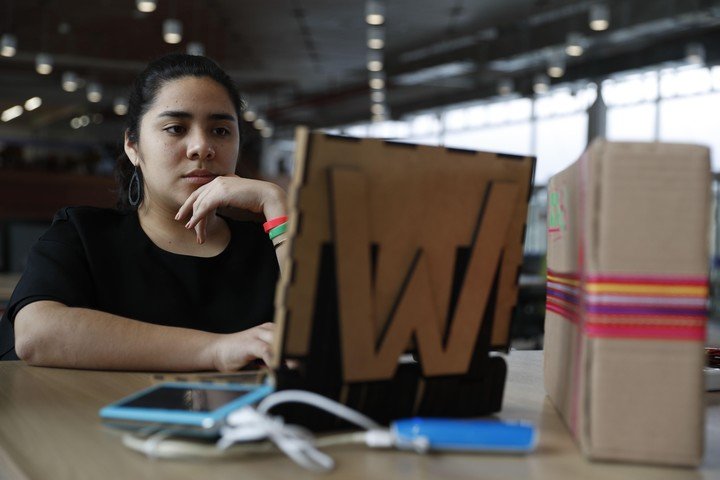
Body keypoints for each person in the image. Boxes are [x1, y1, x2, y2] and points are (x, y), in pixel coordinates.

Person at [0, 53, 288, 371]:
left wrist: (277, 205)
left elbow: (331, 338)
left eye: (220, 131)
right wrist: (217, 350)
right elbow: (36, 334)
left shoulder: (270, 248)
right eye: (176, 128)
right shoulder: (83, 235)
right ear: (133, 146)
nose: (201, 147)